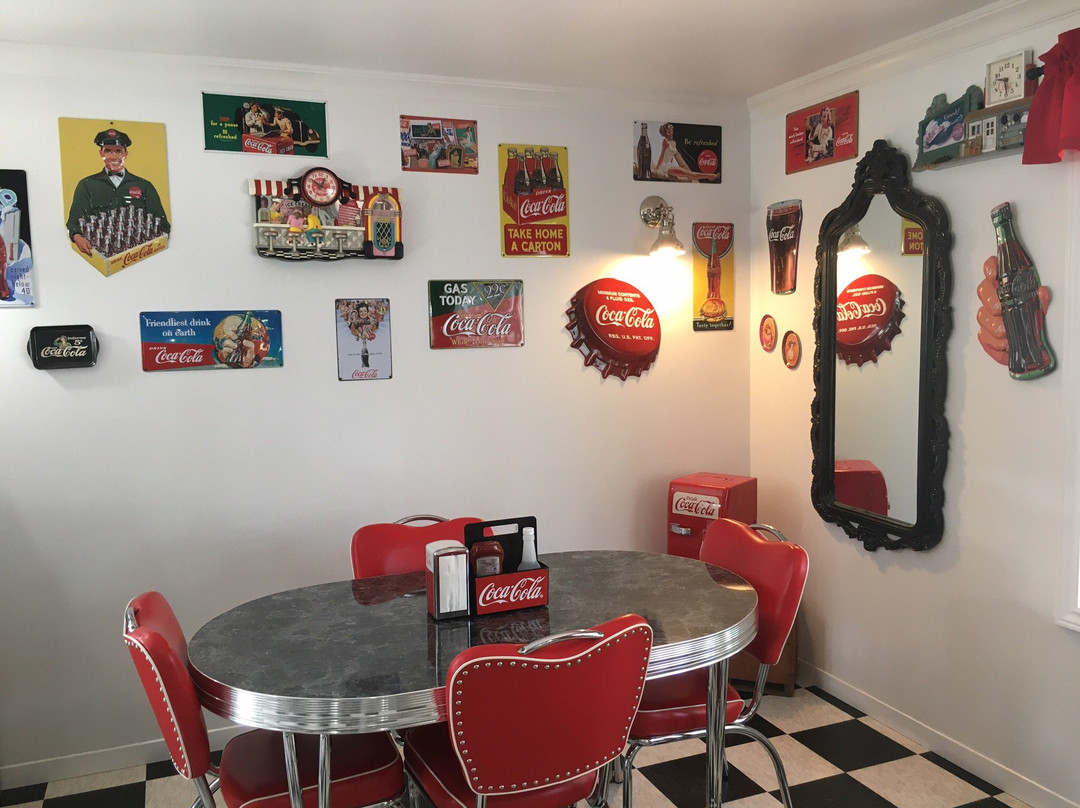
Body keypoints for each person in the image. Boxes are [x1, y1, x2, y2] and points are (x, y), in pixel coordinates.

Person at [65, 128, 171, 256]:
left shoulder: (145, 186)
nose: (113, 157)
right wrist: (77, 237)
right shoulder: (86, 185)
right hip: (100, 252)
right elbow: (73, 222)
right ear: (101, 153)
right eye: (108, 151)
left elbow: (163, 226)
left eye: (118, 151)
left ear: (126, 154)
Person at [652, 122, 718, 181]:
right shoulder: (665, 141)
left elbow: (671, 157)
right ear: (667, 132)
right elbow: (661, 155)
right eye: (670, 128)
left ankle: (709, 176)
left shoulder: (674, 142)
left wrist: (672, 166)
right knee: (689, 173)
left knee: (689, 174)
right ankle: (710, 175)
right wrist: (657, 168)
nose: (672, 128)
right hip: (664, 166)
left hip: (669, 165)